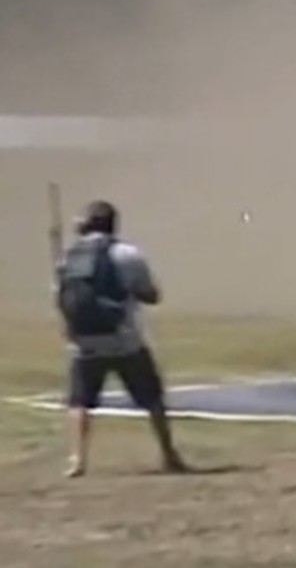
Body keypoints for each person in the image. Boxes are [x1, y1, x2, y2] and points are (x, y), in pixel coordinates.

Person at [55, 200, 187, 478]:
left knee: (80, 401)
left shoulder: (69, 257)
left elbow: (62, 298)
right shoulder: (127, 254)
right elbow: (150, 294)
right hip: (124, 338)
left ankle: (77, 460)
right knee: (152, 397)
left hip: (84, 343)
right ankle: (168, 454)